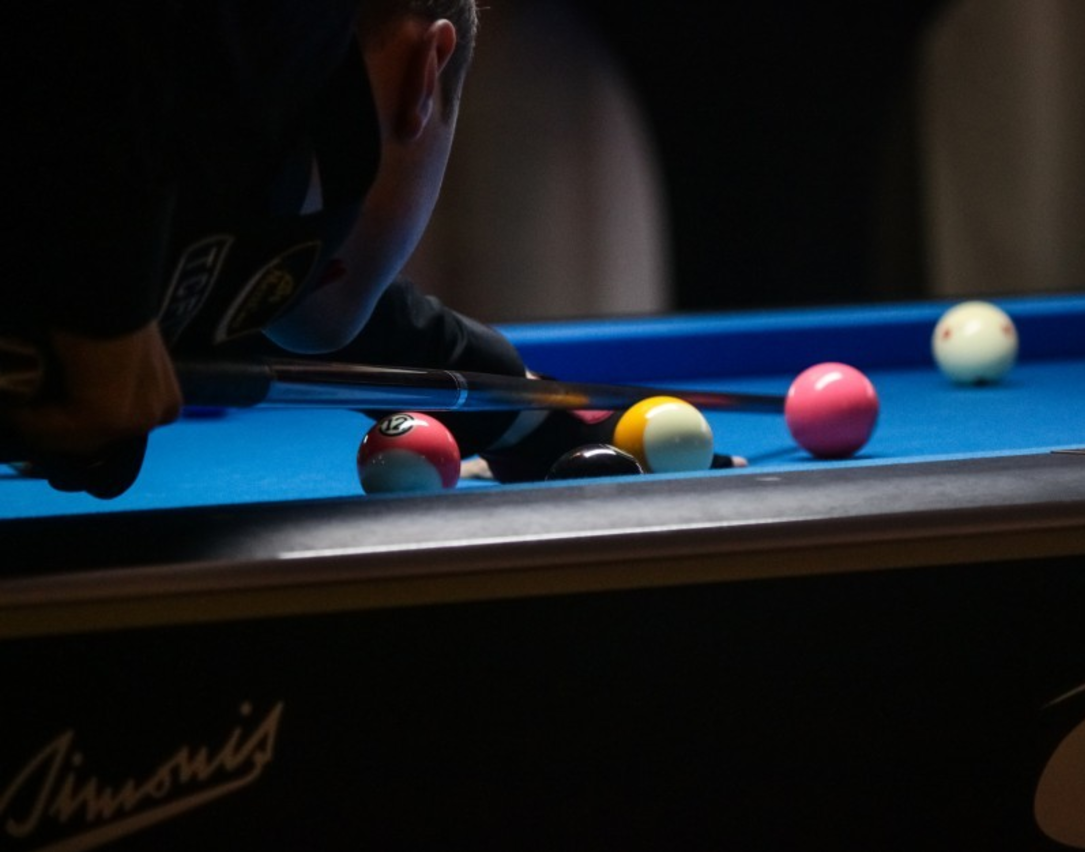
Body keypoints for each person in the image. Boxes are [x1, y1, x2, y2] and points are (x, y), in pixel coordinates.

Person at [1, 0, 642, 497]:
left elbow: (278, 284)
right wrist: (104, 311)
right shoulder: (289, 26)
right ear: (424, 76)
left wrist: (523, 412)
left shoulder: (200, 168)